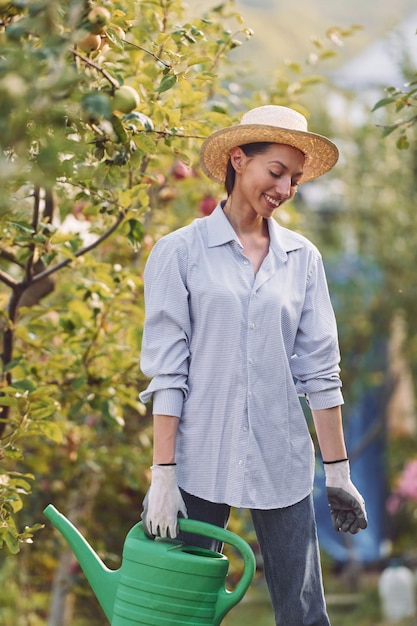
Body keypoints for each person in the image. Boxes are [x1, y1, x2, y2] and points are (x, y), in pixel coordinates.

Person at [139, 105, 368, 626]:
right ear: (239, 160)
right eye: (277, 172)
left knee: (305, 615)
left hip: (282, 457)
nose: (286, 189)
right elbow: (169, 373)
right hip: (197, 461)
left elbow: (320, 372)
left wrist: (338, 473)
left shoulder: (302, 259)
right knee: (177, 613)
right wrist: (164, 473)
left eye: (295, 179)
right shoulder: (180, 254)